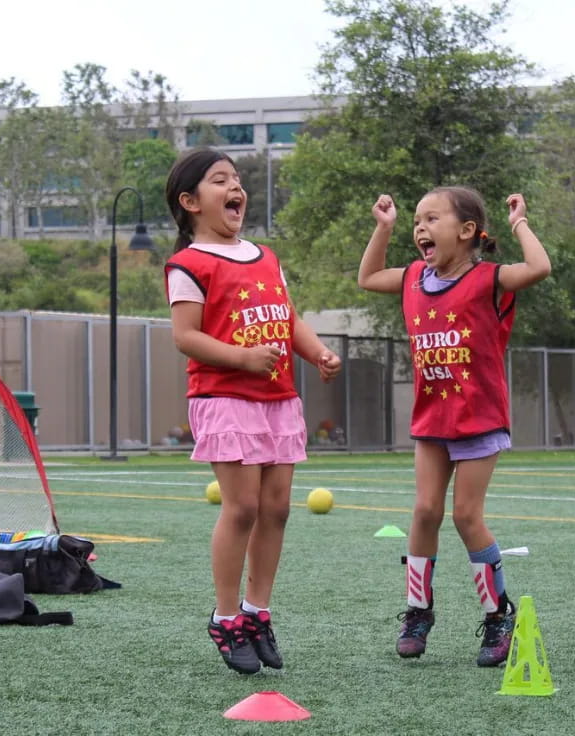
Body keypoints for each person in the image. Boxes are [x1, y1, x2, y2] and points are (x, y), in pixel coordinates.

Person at [163, 147, 342, 675]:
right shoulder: (187, 263)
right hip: (224, 399)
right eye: (221, 181)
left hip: (279, 399)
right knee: (240, 509)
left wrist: (317, 352)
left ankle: (257, 612)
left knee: (278, 509)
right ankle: (225, 619)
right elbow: (185, 336)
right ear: (191, 202)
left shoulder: (265, 256)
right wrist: (242, 358)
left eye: (237, 180)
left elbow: (287, 319)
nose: (235, 188)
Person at [357, 186, 551, 666]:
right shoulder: (413, 279)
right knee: (424, 511)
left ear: (467, 232)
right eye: (417, 221)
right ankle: (418, 612)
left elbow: (540, 268)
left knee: (467, 516)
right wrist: (383, 227)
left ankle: (497, 616)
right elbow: (368, 277)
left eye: (432, 219)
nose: (420, 228)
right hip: (433, 420)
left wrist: (520, 224)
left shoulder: (489, 280)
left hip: (479, 419)